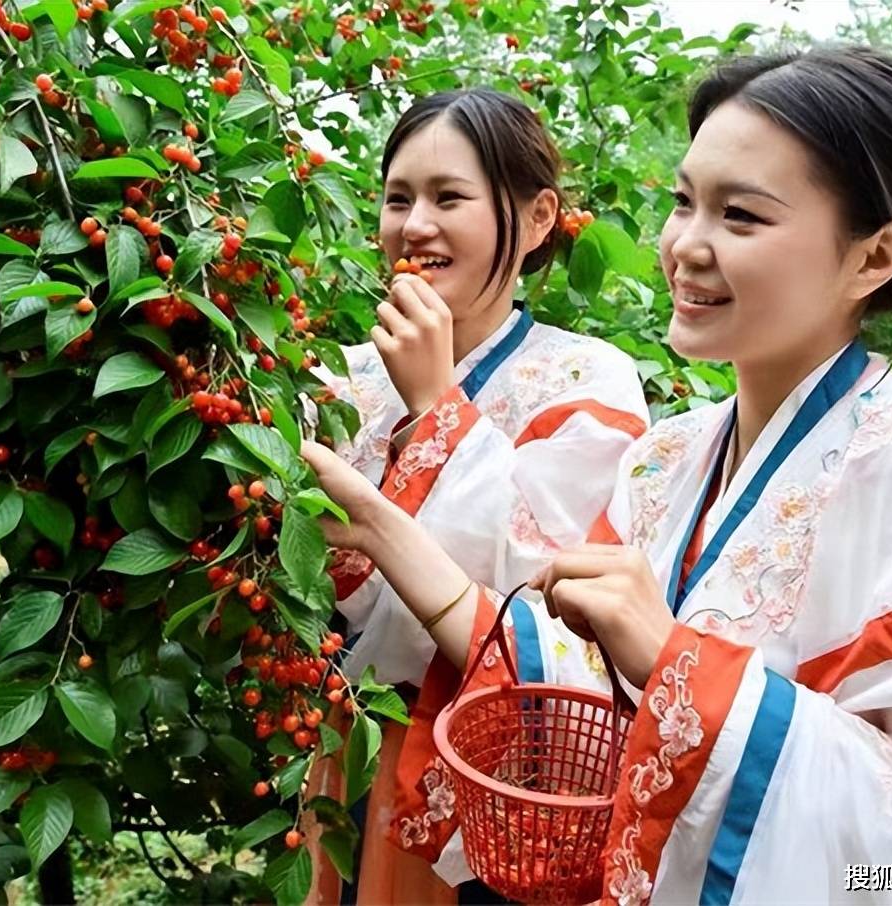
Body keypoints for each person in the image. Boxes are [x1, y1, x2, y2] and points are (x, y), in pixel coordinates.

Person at [302, 47, 892, 904]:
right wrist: (379, 527)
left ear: (875, 256)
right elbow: (573, 715)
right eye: (682, 203)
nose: (685, 248)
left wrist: (677, 664)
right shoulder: (663, 462)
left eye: (740, 216)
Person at [305, 88, 651, 903]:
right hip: (347, 747)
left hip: (492, 767)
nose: (415, 225)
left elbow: (548, 595)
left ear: (535, 220)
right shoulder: (340, 376)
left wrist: (436, 407)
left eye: (448, 197)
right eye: (398, 198)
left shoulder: (587, 378)